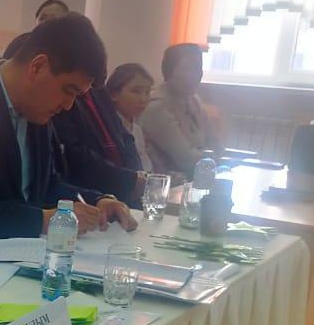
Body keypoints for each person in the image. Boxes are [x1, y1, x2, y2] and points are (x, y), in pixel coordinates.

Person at [0, 13, 137, 240]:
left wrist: (96, 201)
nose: (68, 105)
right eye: (68, 91)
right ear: (37, 67)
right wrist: (42, 220)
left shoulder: (35, 108)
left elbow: (45, 185)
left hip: (24, 249)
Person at [49, 84, 147, 206]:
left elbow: (125, 137)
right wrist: (127, 179)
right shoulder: (64, 97)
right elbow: (75, 155)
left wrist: (135, 175)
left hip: (121, 190)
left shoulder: (99, 91)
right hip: (94, 187)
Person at [139, 42, 223, 176]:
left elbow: (216, 145)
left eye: (198, 68)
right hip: (172, 181)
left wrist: (218, 160)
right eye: (187, 68)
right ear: (169, 71)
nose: (194, 75)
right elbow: (186, 159)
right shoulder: (156, 106)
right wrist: (215, 161)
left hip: (200, 174)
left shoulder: (193, 100)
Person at [105, 63, 156, 172]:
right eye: (136, 91)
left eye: (147, 92)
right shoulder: (107, 128)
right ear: (114, 94)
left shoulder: (137, 129)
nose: (143, 99)